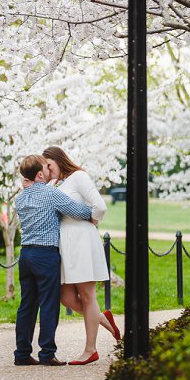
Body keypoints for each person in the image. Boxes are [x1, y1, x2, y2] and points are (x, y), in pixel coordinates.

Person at [13, 154, 97, 367]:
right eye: (46, 169)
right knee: (49, 304)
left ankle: (22, 354)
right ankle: (47, 353)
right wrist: (92, 214)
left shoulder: (20, 198)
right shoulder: (52, 194)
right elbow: (79, 211)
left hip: (26, 255)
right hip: (45, 255)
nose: (50, 171)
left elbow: (37, 194)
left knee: (27, 305)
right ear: (40, 173)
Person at [42, 146, 121, 366]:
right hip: (64, 244)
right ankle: (103, 319)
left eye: (49, 165)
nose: (48, 170)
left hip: (82, 241)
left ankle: (90, 350)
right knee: (65, 298)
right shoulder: (55, 184)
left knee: (87, 296)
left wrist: (93, 221)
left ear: (59, 160)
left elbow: (100, 205)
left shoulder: (79, 177)